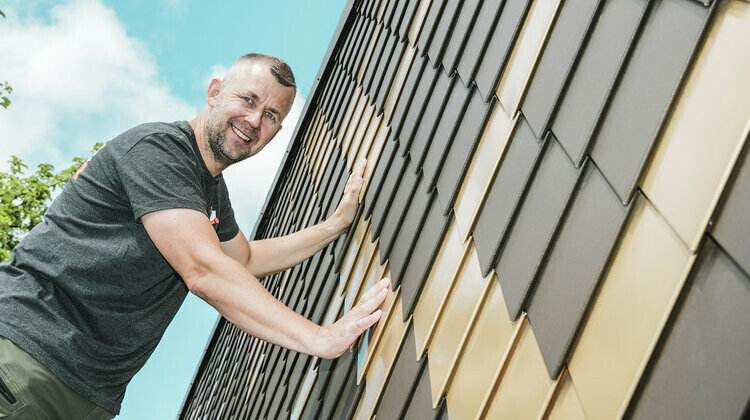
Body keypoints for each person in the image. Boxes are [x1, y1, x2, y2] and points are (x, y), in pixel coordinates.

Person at [0, 53, 389, 419]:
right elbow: (204, 270)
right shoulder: (159, 151)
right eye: (248, 100)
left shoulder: (209, 193)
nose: (255, 120)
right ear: (214, 93)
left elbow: (245, 261)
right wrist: (321, 339)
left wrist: (336, 225)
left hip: (84, 394)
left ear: (277, 131)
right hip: (24, 355)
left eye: (270, 115)